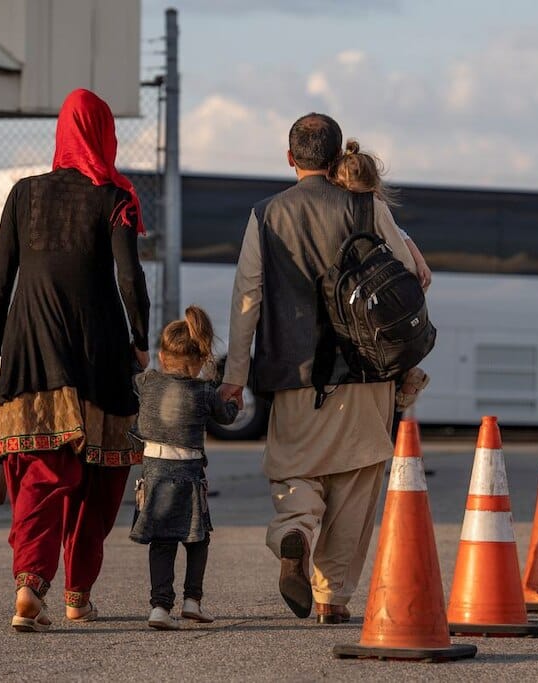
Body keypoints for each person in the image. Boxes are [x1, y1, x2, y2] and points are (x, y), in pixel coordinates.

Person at [219, 113, 418, 625]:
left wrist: (234, 376)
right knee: (355, 481)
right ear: (336, 159)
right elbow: (412, 274)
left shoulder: (265, 215)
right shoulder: (365, 206)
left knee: (297, 469)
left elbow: (247, 298)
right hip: (366, 372)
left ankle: (296, 531)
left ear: (291, 159)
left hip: (294, 374)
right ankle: (333, 598)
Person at [0, 88, 150, 632]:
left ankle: (30, 585)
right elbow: (129, 279)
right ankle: (77, 594)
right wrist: (140, 341)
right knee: (97, 475)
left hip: (31, 344)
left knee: (41, 470)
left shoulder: (23, 194)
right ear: (104, 133)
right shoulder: (115, 195)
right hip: (97, 347)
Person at [129, 306, 239, 630]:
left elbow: (129, 378)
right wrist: (233, 401)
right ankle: (193, 601)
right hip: (190, 475)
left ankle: (159, 608)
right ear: (201, 359)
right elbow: (227, 417)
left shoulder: (147, 381)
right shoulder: (205, 391)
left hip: (154, 474)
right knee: (198, 539)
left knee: (162, 542)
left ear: (162, 357)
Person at [327, 138, 431, 413]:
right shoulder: (376, 206)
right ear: (375, 183)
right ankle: (405, 379)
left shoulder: (330, 207)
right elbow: (405, 261)